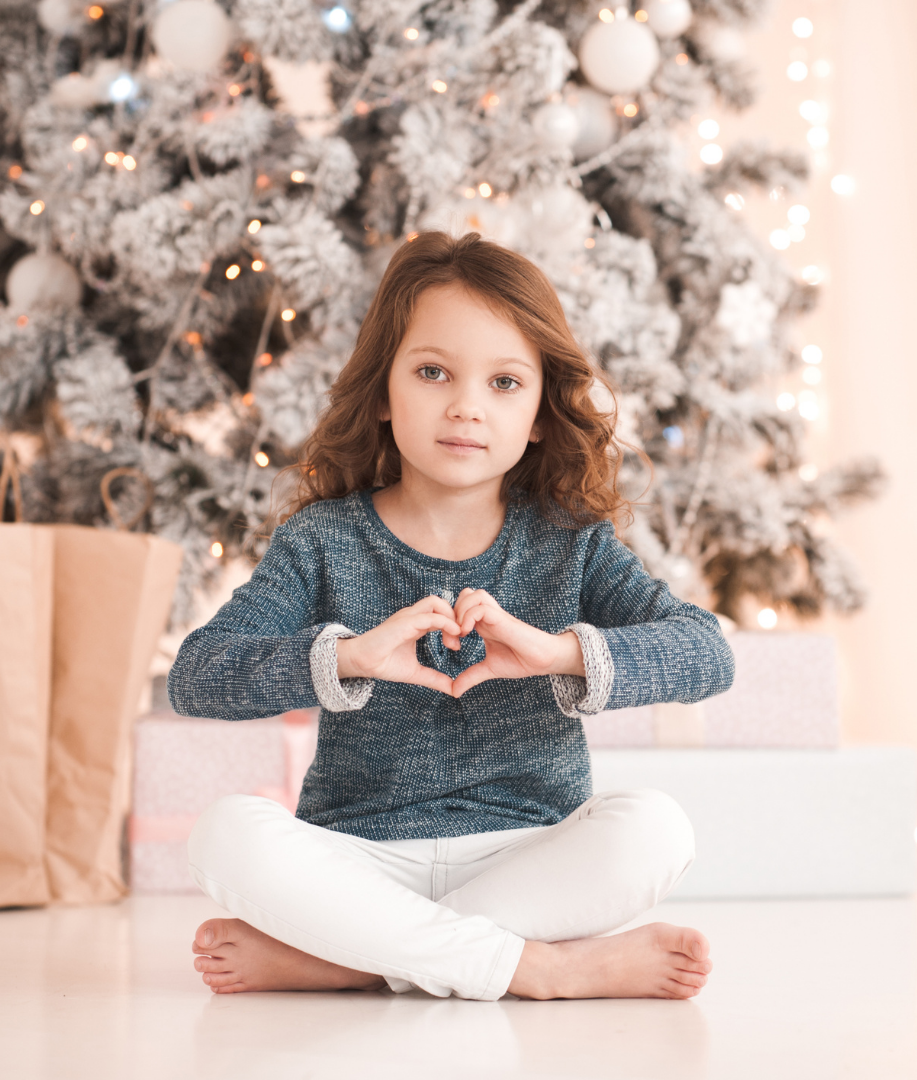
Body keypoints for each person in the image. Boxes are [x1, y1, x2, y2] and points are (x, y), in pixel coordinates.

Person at [169, 231, 734, 1001]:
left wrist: (560, 652)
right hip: (361, 856)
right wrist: (347, 658)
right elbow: (198, 676)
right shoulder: (324, 540)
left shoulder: (572, 542)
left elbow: (708, 654)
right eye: (433, 372)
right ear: (382, 394)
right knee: (224, 833)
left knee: (658, 827)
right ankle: (541, 971)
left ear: (539, 412)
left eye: (504, 383)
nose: (466, 406)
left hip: (529, 854)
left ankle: (359, 962)